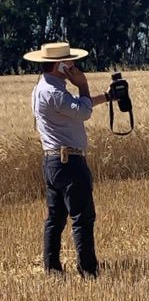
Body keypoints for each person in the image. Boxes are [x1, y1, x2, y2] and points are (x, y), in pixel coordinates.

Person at [23, 42, 111, 278]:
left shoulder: (44, 87)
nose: (74, 65)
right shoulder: (55, 92)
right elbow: (83, 112)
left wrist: (107, 97)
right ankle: (88, 271)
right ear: (59, 66)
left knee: (55, 219)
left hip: (53, 162)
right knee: (82, 218)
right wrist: (82, 84)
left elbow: (75, 107)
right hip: (69, 161)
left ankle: (52, 269)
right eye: (70, 62)